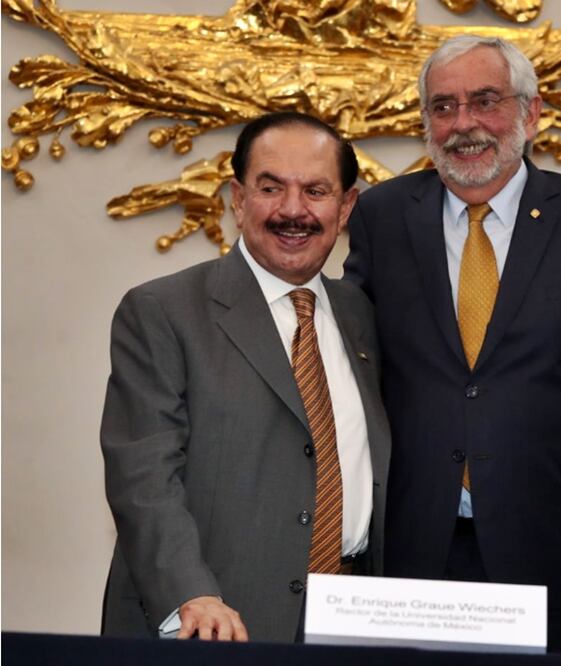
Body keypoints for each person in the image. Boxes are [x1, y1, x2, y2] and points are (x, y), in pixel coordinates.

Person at [343, 34, 561, 652]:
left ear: (530, 114)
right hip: (411, 541)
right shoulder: (382, 215)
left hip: (552, 541)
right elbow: (352, 358)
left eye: (485, 101)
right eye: (444, 107)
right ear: (425, 122)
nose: (464, 124)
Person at [99, 112, 391, 642]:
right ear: (237, 198)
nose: (293, 210)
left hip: (349, 624)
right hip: (213, 623)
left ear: (345, 207)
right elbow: (143, 477)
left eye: (316, 191)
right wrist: (192, 593)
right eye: (271, 187)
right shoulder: (162, 311)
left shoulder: (365, 318)